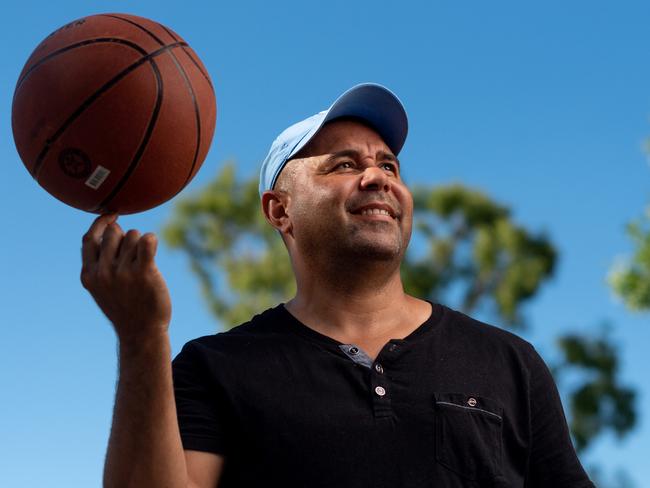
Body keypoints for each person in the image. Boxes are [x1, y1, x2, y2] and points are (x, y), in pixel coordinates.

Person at [81, 83, 595, 488]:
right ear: (280, 210)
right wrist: (142, 336)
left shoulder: (510, 363)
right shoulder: (214, 369)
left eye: (388, 165)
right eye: (345, 165)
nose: (378, 178)